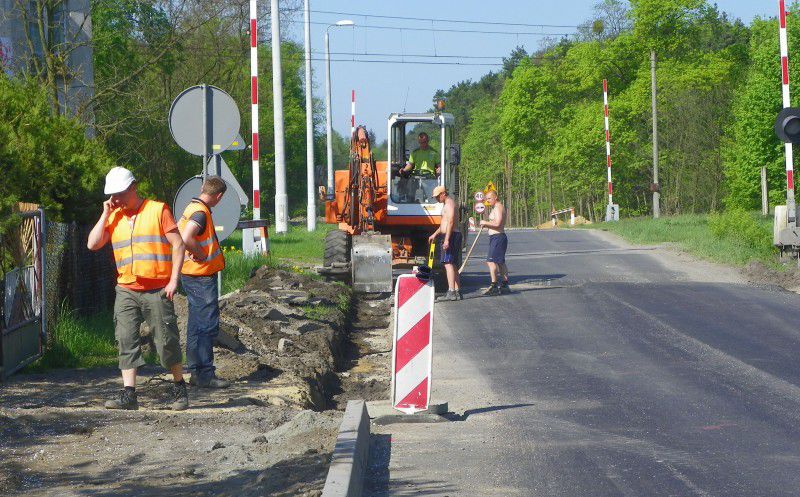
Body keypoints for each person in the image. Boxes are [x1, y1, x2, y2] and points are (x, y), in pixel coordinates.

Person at [87, 166, 188, 411]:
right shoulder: (113, 215)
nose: (116, 199)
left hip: (156, 288)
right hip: (126, 289)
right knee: (125, 338)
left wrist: (174, 280)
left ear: (133, 187)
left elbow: (178, 245)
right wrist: (105, 213)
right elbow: (92, 244)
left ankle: (179, 389)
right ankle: (129, 395)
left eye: (120, 194)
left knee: (166, 340)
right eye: (113, 195)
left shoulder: (157, 210)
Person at [178, 177, 230, 389]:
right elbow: (186, 236)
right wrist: (200, 254)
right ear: (219, 196)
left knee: (196, 323)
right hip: (200, 275)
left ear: (202, 189)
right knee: (207, 324)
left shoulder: (192, 207)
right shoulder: (201, 213)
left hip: (190, 274)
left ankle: (196, 371)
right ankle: (205, 374)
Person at [428, 185, 462, 301]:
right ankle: (457, 291)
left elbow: (451, 222)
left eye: (437, 197)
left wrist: (447, 239)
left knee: (448, 263)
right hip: (450, 234)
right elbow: (444, 223)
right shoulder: (448, 204)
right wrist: (435, 234)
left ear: (443, 194)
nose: (437, 199)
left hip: (451, 235)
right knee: (452, 264)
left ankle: (451, 291)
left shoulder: (449, 204)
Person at [480, 190, 510, 296]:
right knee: (500, 262)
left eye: (489, 198)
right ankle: (505, 284)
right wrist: (487, 224)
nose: (488, 201)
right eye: (487, 199)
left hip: (498, 237)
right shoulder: (496, 207)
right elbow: (496, 222)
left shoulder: (498, 207)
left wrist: (485, 223)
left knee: (491, 261)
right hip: (497, 237)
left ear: (495, 197)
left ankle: (494, 285)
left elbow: (497, 223)